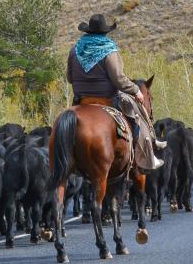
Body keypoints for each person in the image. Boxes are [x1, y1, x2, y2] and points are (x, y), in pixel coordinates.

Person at [66, 13, 165, 170]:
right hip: (108, 99)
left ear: (88, 32)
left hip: (80, 100)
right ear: (105, 32)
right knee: (136, 118)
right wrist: (136, 91)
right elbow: (118, 79)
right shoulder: (108, 50)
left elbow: (70, 78)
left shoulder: (75, 50)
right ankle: (146, 156)